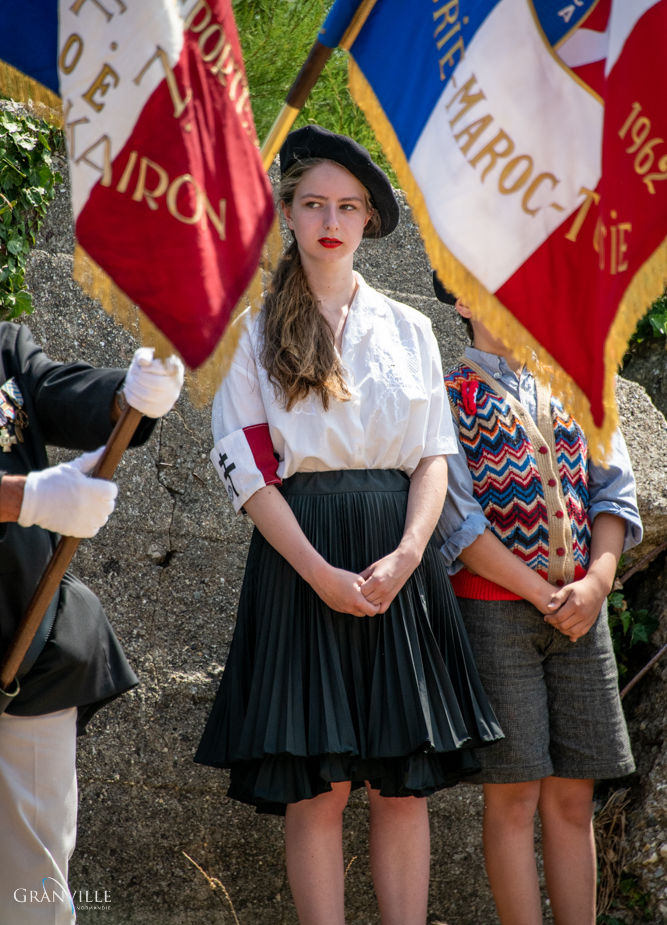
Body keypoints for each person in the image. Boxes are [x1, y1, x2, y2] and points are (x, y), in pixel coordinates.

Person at [195, 125, 503, 925]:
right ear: (289, 214)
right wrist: (321, 576)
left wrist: (407, 555)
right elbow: (250, 473)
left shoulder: (408, 327)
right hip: (304, 560)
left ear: (368, 221)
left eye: (348, 206)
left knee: (400, 785)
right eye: (312, 204)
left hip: (400, 562)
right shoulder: (252, 330)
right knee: (321, 786)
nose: (330, 219)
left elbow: (433, 457)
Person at [433, 274, 642, 925]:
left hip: (582, 613)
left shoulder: (576, 385)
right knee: (514, 795)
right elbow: (457, 523)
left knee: (574, 795)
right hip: (494, 613)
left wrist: (597, 583)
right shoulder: (447, 397)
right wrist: (541, 592)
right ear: (462, 301)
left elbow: (612, 492)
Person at [0, 332, 183, 924]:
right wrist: (21, 498)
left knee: (35, 888)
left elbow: (56, 391)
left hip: (27, 655)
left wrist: (126, 395)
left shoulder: (3, 346)